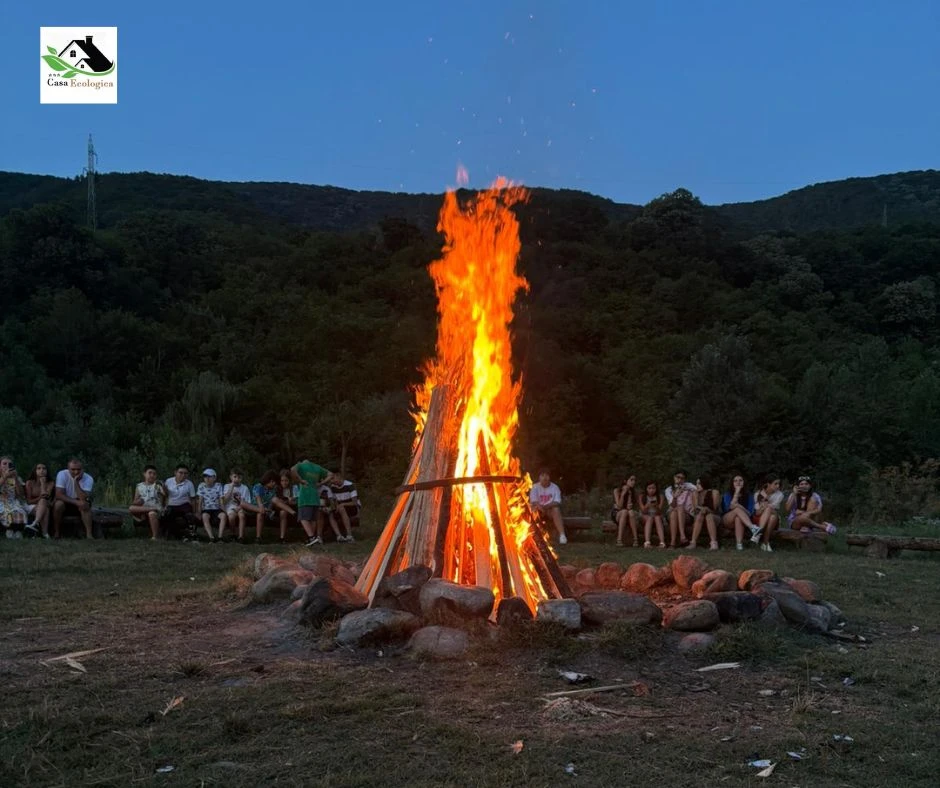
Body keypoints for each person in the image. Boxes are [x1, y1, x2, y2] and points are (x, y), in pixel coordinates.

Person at [290, 459, 339, 547]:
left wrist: (300, 480)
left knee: (303, 518)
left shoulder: (301, 465)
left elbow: (292, 470)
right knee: (313, 519)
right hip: (315, 497)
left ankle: (312, 537)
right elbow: (331, 474)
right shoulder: (317, 467)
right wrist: (321, 483)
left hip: (305, 495)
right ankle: (312, 540)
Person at [53, 458, 94, 539]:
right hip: (66, 501)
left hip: (80, 502)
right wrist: (75, 502)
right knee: (58, 505)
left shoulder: (88, 478)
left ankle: (89, 534)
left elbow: (83, 497)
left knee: (84, 505)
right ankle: (56, 532)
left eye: (78, 469)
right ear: (68, 469)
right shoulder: (62, 474)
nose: (76, 472)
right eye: (73, 469)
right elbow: (58, 494)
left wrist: (76, 481)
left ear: (82, 469)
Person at [252, 470, 295, 544]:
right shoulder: (258, 486)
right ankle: (258, 537)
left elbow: (276, 502)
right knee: (260, 513)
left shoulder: (273, 490)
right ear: (270, 481)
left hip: (269, 509)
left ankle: (292, 512)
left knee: (275, 499)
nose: (275, 484)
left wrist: (287, 501)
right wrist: (261, 506)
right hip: (257, 507)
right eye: (274, 482)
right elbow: (257, 497)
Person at [128, 465, 167, 540]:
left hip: (157, 509)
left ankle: (155, 536)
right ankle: (150, 509)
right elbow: (134, 502)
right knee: (131, 508)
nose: (152, 475)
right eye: (150, 473)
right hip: (144, 508)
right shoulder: (139, 486)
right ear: (144, 474)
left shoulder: (158, 485)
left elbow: (165, 495)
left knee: (152, 513)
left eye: (154, 474)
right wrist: (139, 501)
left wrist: (163, 488)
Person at [529, 469, 567, 545]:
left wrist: (545, 507)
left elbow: (557, 502)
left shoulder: (555, 487)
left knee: (556, 509)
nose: (544, 478)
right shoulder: (535, 487)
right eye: (542, 475)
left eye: (546, 475)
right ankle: (533, 537)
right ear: (539, 477)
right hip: (538, 510)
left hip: (550, 510)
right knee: (533, 510)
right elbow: (534, 501)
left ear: (549, 477)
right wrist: (540, 508)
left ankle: (562, 536)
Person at [721, 473, 756, 551]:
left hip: (743, 520)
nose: (738, 482)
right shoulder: (727, 494)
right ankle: (753, 528)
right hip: (727, 519)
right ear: (732, 483)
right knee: (736, 510)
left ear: (744, 483)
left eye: (740, 480)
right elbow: (729, 507)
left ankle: (739, 544)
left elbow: (750, 513)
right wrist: (737, 492)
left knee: (738, 517)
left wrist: (739, 506)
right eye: (735, 481)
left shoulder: (749, 496)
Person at [163, 464, 197, 540]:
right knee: (168, 514)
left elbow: (193, 499)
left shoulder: (189, 483)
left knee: (189, 515)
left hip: (184, 504)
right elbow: (165, 495)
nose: (183, 475)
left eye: (185, 473)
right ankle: (176, 534)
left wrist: (195, 511)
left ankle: (192, 533)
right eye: (181, 472)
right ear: (175, 472)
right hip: (172, 504)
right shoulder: (168, 481)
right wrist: (164, 505)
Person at [752, 475, 785, 551]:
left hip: (774, 519)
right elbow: (757, 513)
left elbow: (772, 508)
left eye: (779, 484)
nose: (778, 486)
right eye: (775, 483)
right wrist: (763, 504)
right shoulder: (757, 494)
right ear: (768, 484)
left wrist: (766, 500)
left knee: (770, 510)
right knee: (771, 517)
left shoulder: (780, 495)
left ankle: (758, 533)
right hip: (759, 519)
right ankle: (765, 543)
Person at [687, 476, 721, 551]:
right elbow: (695, 509)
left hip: (714, 516)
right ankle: (693, 543)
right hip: (699, 517)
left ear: (704, 483)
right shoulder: (695, 494)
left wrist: (705, 509)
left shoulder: (714, 492)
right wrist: (696, 497)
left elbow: (714, 509)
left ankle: (714, 543)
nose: (697, 485)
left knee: (709, 516)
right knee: (700, 515)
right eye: (696, 483)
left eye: (699, 483)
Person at [664, 469, 696, 548]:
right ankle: (680, 538)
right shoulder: (669, 490)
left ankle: (673, 542)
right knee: (675, 511)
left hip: (687, 514)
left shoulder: (688, 486)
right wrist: (675, 497)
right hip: (672, 512)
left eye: (682, 478)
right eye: (678, 477)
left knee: (680, 508)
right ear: (674, 477)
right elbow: (672, 506)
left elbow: (697, 489)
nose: (680, 480)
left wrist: (684, 488)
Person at [221, 469, 254, 543]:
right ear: (231, 477)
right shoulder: (227, 486)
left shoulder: (244, 488)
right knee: (231, 517)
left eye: (239, 477)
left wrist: (239, 508)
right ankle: (233, 534)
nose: (236, 479)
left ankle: (241, 536)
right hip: (230, 507)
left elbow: (247, 502)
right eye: (235, 477)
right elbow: (225, 501)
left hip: (242, 507)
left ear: (241, 478)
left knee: (242, 516)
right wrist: (231, 488)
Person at [0, 456, 28, 538]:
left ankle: (17, 530)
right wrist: (5, 477)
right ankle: (9, 529)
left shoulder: (16, 478)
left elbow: (20, 494)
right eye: (4, 464)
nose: (7, 465)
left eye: (9, 464)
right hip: (1, 501)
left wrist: (15, 478)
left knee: (19, 510)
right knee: (6, 511)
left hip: (13, 501)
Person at [25, 463, 54, 538]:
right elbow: (29, 501)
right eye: (39, 468)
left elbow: (46, 496)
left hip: (45, 504)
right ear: (35, 471)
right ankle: (45, 533)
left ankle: (35, 523)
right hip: (31, 506)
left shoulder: (50, 483)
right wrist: (40, 498)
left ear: (47, 471)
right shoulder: (29, 482)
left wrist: (43, 483)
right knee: (45, 507)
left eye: (44, 468)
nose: (42, 470)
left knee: (43, 501)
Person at [196, 468, 226, 543]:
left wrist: (224, 510)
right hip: (206, 508)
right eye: (205, 477)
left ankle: (220, 537)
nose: (207, 478)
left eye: (209, 476)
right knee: (204, 516)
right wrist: (199, 512)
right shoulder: (201, 486)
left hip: (216, 508)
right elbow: (200, 500)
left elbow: (221, 499)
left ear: (214, 478)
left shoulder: (218, 485)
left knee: (223, 516)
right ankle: (211, 537)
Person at [612, 474, 639, 547]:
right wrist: (623, 494)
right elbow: (619, 507)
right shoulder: (617, 490)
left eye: (634, 480)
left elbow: (630, 508)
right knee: (624, 512)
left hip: (630, 515)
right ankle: (619, 539)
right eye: (631, 480)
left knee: (629, 512)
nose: (633, 482)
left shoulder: (633, 492)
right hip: (618, 513)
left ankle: (635, 539)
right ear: (625, 481)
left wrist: (629, 494)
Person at [330, 477, 360, 542]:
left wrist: (342, 504)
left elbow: (355, 502)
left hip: (352, 506)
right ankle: (339, 536)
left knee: (341, 508)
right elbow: (334, 500)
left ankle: (349, 535)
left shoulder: (349, 485)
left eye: (333, 479)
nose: (332, 481)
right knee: (331, 513)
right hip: (340, 506)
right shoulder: (333, 487)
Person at [641, 481, 666, 549]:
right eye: (649, 488)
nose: (651, 490)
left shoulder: (660, 496)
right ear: (646, 489)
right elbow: (643, 511)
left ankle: (662, 543)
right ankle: (647, 542)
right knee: (650, 518)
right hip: (646, 515)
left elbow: (659, 511)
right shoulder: (642, 496)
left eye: (653, 488)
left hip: (657, 515)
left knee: (657, 517)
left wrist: (656, 506)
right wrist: (647, 505)